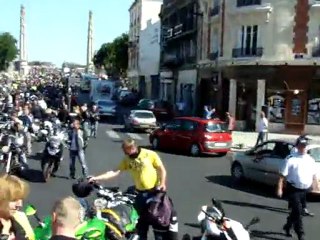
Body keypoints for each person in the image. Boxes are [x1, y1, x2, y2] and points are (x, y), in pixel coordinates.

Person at [89, 138, 178, 240]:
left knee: (158, 223)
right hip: (140, 195)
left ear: (132, 148)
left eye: (126, 150)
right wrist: (96, 178)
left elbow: (161, 169)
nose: (125, 154)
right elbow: (115, 172)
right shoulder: (127, 160)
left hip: (154, 194)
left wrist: (162, 183)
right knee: (139, 226)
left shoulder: (149, 154)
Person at [277, 136, 319, 240]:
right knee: (299, 211)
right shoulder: (291, 159)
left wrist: (316, 186)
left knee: (296, 211)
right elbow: (282, 176)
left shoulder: (310, 159)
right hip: (293, 189)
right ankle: (300, 234)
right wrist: (279, 188)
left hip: (304, 190)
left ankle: (287, 226)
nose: (303, 148)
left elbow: (314, 175)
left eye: (305, 146)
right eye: (301, 146)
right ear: (297, 147)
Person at [0, 174, 34, 240]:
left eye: (21, 199)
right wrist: (5, 235)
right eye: (14, 200)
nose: (20, 204)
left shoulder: (19, 219)